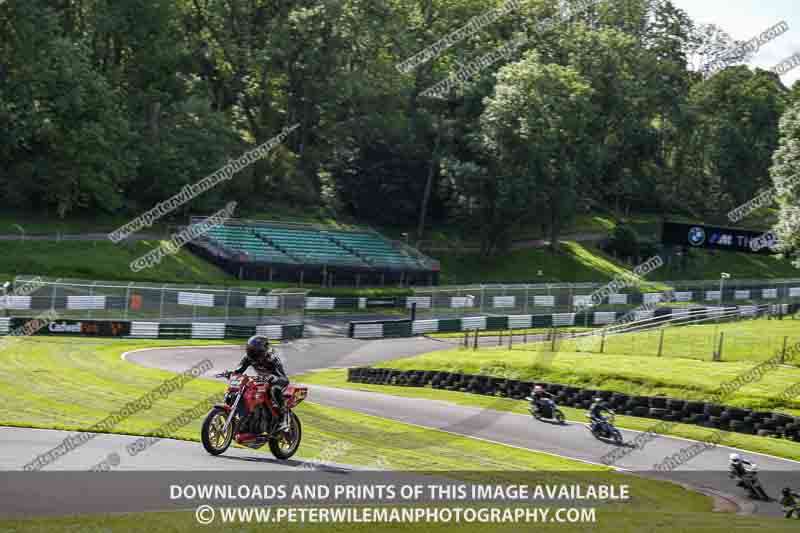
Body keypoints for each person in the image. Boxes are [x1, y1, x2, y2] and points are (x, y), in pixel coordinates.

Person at [229, 335, 291, 431]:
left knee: (274, 390)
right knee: (245, 389)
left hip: (278, 380)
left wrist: (272, 377)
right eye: (250, 350)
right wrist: (230, 374)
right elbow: (238, 371)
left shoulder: (272, 359)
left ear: (261, 351)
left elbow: (282, 376)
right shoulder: (248, 358)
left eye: (254, 350)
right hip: (263, 381)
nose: (251, 353)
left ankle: (284, 418)